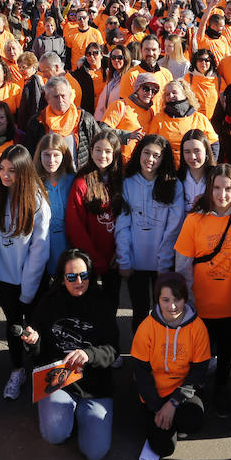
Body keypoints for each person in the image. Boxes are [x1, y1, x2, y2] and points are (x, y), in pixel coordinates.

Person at [173, 163, 231, 417]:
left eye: (228, 189)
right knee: (200, 349)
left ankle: (221, 387)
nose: (222, 194)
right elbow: (183, 262)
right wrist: (186, 299)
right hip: (201, 301)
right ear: (209, 189)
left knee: (226, 349)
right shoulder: (195, 219)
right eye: (217, 188)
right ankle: (196, 388)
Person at [19, 248, 119, 460]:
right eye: (71, 276)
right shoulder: (48, 302)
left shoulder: (102, 303)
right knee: (54, 436)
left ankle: (80, 416)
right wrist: (33, 342)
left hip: (94, 384)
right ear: (62, 279)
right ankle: (68, 418)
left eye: (84, 275)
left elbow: (112, 349)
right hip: (59, 379)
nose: (79, 281)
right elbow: (38, 354)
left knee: (95, 453)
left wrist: (89, 354)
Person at [0, 145, 51, 403]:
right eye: (2, 169)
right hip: (5, 279)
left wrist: (27, 290)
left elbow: (40, 250)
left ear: (23, 172)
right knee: (13, 327)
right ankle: (16, 370)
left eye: (12, 171)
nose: (5, 175)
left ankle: (40, 370)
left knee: (35, 328)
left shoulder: (37, 201)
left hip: (32, 280)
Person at [130, 274, 210, 459]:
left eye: (177, 299)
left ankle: (170, 421)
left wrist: (173, 403)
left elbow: (198, 371)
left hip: (180, 392)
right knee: (164, 448)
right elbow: (141, 373)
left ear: (185, 298)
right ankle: (162, 422)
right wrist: (159, 407)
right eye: (165, 300)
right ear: (157, 299)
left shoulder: (198, 328)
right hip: (154, 395)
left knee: (194, 421)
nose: (172, 307)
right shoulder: (147, 327)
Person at [116, 135, 186, 328]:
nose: (150, 159)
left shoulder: (173, 184)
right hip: (135, 262)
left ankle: (159, 352)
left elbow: (173, 227)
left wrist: (163, 261)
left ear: (164, 159)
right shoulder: (128, 183)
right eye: (146, 153)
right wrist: (124, 259)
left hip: (162, 263)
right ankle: (140, 353)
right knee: (139, 310)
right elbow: (123, 225)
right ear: (139, 153)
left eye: (156, 155)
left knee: (163, 311)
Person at [65, 130, 123, 300]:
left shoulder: (120, 181)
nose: (102, 155)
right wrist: (94, 260)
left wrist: (121, 252)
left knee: (112, 303)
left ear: (115, 154)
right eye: (98, 150)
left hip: (115, 257)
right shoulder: (81, 183)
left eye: (107, 151)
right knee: (90, 305)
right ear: (90, 151)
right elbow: (75, 227)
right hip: (89, 259)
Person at [35, 133, 74, 279]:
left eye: (56, 155)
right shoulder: (34, 183)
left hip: (68, 247)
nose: (51, 160)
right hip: (42, 250)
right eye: (46, 155)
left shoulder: (72, 181)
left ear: (64, 156)